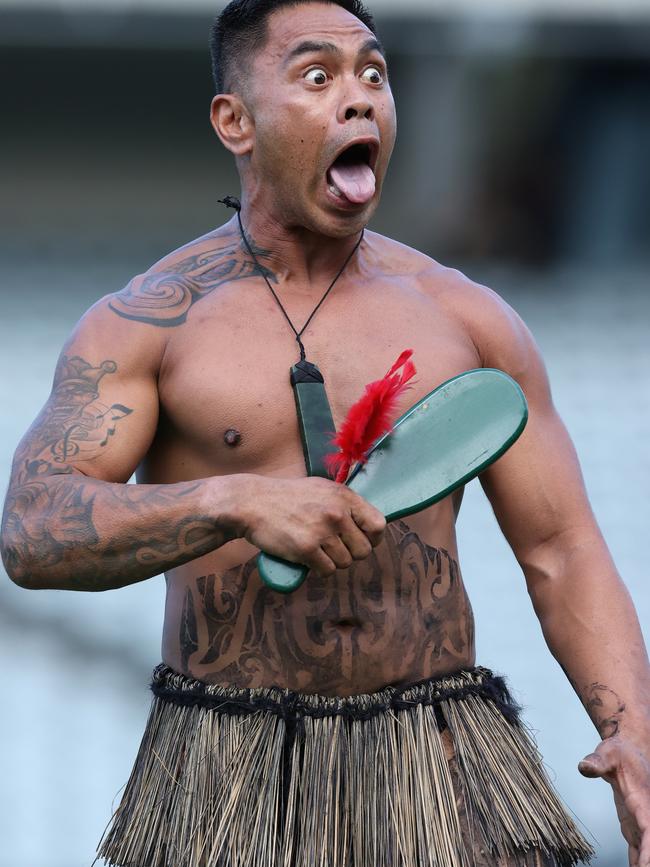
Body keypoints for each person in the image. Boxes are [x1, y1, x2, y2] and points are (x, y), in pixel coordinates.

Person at [2, 0, 649, 865]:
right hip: (224, 767)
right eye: (318, 76)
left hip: (439, 752)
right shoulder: (148, 322)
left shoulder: (468, 317)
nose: (360, 99)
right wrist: (234, 500)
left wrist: (634, 734)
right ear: (235, 120)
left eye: (374, 75)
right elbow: (33, 529)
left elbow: (562, 548)